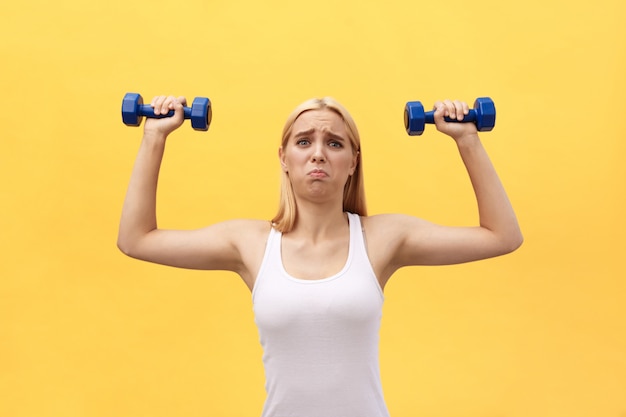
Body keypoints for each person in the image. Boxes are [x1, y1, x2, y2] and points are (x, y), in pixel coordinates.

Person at [117, 95, 523, 417]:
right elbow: (136, 239)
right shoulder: (251, 243)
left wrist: (467, 139)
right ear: (284, 159)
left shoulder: (382, 238)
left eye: (334, 143)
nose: (318, 154)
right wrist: (154, 135)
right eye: (304, 141)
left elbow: (501, 236)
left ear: (352, 163)